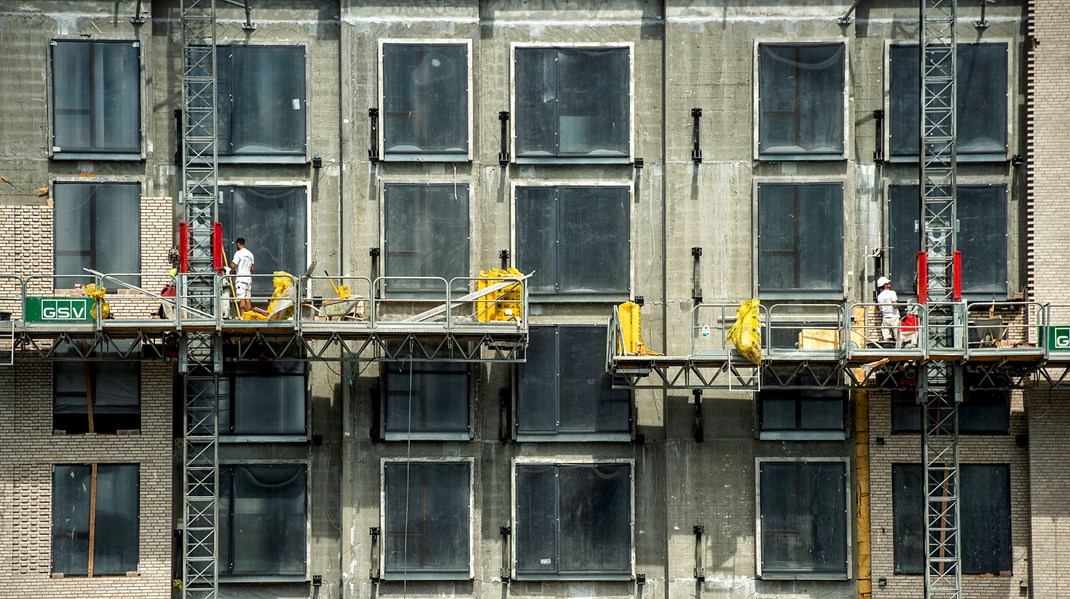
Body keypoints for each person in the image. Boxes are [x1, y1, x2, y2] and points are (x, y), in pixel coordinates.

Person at [229, 238, 255, 314]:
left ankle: (243, 318)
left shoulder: (238, 253)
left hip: (241, 279)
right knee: (248, 299)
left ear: (238, 244)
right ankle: (249, 319)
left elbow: (233, 266)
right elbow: (252, 269)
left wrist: (230, 266)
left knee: (241, 299)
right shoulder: (250, 254)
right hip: (248, 279)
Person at [876, 276, 899, 344]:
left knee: (885, 337)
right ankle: (897, 351)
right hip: (894, 317)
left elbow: (880, 308)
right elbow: (895, 304)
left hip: (885, 317)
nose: (889, 283)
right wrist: (899, 305)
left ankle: (885, 351)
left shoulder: (879, 296)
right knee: (896, 336)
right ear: (885, 285)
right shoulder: (892, 293)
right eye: (887, 283)